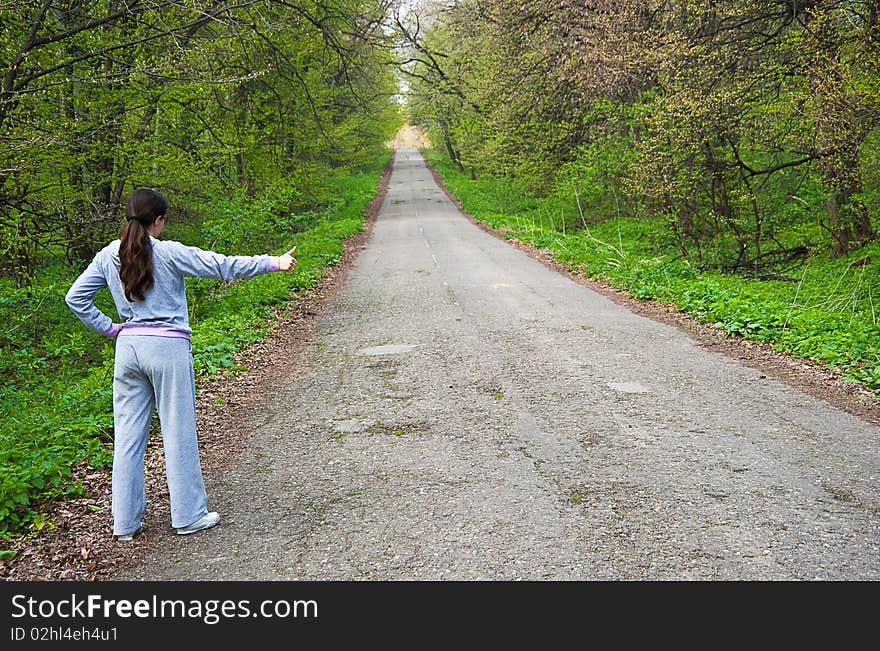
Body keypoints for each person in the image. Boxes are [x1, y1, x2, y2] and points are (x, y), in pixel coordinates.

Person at [65, 188, 298, 542]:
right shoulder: (170, 253)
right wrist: (273, 262)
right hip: (168, 348)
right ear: (158, 221)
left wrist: (111, 328)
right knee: (177, 432)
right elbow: (221, 265)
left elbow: (75, 298)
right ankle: (188, 515)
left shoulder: (106, 257)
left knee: (128, 439)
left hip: (128, 349)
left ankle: (125, 524)